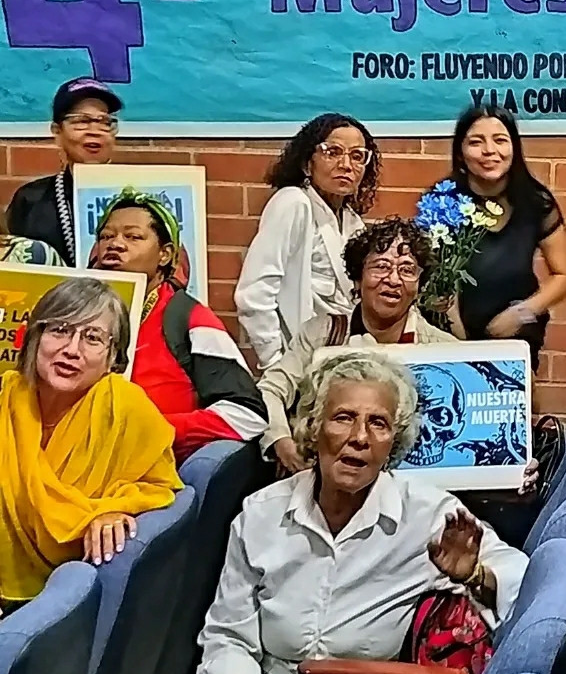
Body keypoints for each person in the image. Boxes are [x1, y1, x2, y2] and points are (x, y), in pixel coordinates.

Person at [161, 351, 528, 674]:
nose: (359, 437)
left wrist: (470, 574)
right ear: (314, 429)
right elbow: (228, 634)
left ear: (393, 442)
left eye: (377, 424)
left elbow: (516, 577)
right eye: (343, 418)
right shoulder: (261, 514)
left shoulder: (426, 513)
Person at [0, 277, 182, 607]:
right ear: (35, 337)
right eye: (59, 330)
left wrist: (114, 510)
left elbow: (160, 487)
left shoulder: (125, 408)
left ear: (113, 356)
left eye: (92, 338)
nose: (72, 349)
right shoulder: (6, 395)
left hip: (69, 602)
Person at [258, 216, 451, 474]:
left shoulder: (444, 349)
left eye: (407, 270)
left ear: (419, 286)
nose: (393, 279)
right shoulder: (321, 334)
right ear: (358, 279)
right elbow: (270, 390)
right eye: (381, 267)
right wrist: (281, 440)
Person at [93, 190, 268, 464]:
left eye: (133, 236)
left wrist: (155, 430)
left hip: (154, 469)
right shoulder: (76, 315)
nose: (115, 244)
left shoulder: (188, 318)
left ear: (165, 255)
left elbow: (247, 414)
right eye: (106, 237)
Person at [235, 114, 381, 370]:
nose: (346, 164)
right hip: (300, 363)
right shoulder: (293, 202)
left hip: (342, 361)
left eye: (357, 156)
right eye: (333, 152)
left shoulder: (352, 221)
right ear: (306, 164)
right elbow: (254, 294)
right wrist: (276, 365)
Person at [444, 105, 566, 370]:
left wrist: (521, 313)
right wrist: (460, 345)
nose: (489, 151)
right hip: (452, 332)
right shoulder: (443, 204)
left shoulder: (535, 202)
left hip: (517, 330)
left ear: (514, 149)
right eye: (476, 142)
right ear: (460, 153)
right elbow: (441, 285)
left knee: (521, 401)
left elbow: (565, 277)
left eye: (500, 140)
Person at [6, 78, 123, 266]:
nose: (95, 130)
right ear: (57, 131)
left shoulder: (138, 194)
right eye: (82, 121)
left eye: (105, 122)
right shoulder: (31, 199)